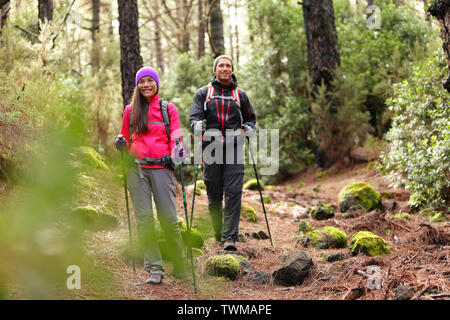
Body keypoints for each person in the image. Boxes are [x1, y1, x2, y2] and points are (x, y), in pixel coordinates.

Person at [115, 67, 186, 285]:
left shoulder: (168, 109)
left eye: (150, 81)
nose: (146, 85)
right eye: (142, 81)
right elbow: (125, 137)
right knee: (144, 220)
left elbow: (175, 136)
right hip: (136, 171)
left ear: (156, 83)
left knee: (169, 219)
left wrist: (178, 148)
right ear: (137, 85)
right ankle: (154, 268)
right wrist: (121, 144)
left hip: (162, 169)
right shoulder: (130, 110)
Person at [190, 55, 256, 251]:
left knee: (234, 193)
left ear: (232, 70)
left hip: (234, 149)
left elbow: (251, 118)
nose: (225, 68)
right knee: (214, 194)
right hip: (211, 149)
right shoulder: (203, 93)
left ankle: (230, 238)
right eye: (221, 65)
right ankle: (219, 232)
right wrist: (197, 125)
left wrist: (249, 128)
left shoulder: (240, 95)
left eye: (228, 65)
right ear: (215, 70)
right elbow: (194, 117)